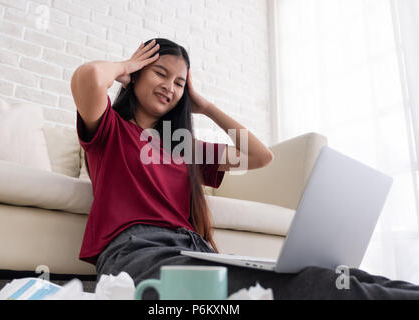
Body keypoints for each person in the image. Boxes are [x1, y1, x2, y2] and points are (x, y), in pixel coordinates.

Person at [71, 38, 419, 300]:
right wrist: (124, 65)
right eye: (160, 73)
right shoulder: (110, 129)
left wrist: (204, 106)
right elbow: (88, 76)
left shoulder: (183, 146)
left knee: (338, 275)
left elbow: (258, 155)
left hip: (194, 249)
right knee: (309, 288)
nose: (170, 87)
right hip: (139, 252)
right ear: (135, 76)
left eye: (179, 82)